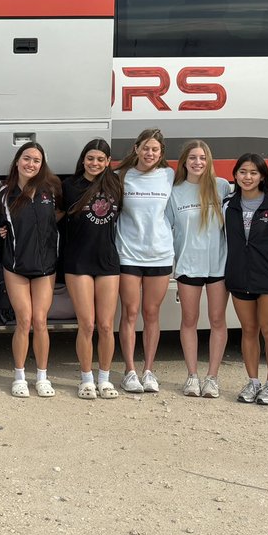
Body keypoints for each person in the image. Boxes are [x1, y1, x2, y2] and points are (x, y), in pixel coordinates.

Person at [0, 141, 62, 398]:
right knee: (23, 320)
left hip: (45, 265)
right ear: (17, 161)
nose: (31, 164)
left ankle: (42, 377)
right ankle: (20, 376)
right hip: (15, 265)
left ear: (42, 164)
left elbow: (62, 213)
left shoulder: (52, 189)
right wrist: (3, 231)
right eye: (26, 158)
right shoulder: (3, 192)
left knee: (40, 321)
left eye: (36, 160)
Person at [167, 140, 230, 399]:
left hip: (218, 264)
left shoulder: (222, 186)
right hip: (188, 265)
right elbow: (168, 230)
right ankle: (192, 376)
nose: (198, 162)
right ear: (184, 162)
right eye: (192, 157)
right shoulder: (175, 192)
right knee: (189, 321)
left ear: (209, 160)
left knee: (217, 321)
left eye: (202, 158)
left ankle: (212, 378)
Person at [60, 138, 122, 400]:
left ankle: (105, 379)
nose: (94, 163)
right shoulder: (69, 186)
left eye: (100, 159)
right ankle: (86, 380)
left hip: (107, 261)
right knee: (86, 324)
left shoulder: (117, 185)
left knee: (106, 326)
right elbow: (53, 218)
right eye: (90, 158)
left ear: (108, 162)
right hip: (78, 262)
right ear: (83, 159)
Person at [115, 128, 175, 394]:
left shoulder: (168, 175)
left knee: (151, 314)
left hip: (160, 254)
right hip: (128, 253)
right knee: (129, 313)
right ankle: (129, 371)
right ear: (136, 148)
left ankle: (148, 371)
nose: (150, 153)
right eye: (146, 148)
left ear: (161, 154)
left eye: (156, 150)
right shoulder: (122, 176)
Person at [223, 153, 268, 405]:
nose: (247, 177)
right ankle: (253, 382)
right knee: (248, 330)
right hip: (239, 275)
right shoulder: (228, 203)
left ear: (262, 176)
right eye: (242, 172)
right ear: (235, 175)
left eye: (253, 173)